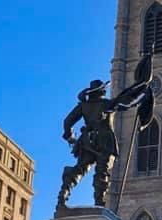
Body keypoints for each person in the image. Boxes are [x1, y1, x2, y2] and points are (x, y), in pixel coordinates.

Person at [56, 54, 154, 211]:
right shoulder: (107, 104)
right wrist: (142, 95)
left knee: (80, 168)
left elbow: (67, 122)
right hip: (105, 141)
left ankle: (62, 196)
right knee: (102, 171)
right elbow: (127, 102)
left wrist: (70, 136)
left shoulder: (83, 106)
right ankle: (99, 202)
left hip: (86, 141)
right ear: (101, 91)